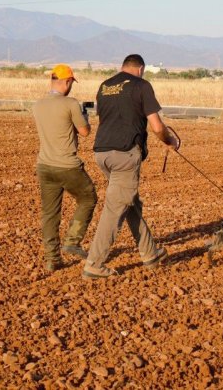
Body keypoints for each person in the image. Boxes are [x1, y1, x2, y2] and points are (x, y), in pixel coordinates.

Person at [83, 54, 179, 279]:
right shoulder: (142, 85)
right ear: (141, 69)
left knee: (129, 202)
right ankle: (94, 264)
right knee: (115, 207)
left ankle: (150, 253)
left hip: (102, 153)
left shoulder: (105, 86)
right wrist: (169, 141)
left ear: (122, 67)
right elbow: (156, 126)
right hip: (125, 154)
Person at [32, 64, 97, 271]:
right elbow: (84, 132)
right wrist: (84, 116)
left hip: (44, 165)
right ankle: (72, 241)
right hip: (67, 166)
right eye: (71, 83)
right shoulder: (71, 104)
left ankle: (53, 259)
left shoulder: (38, 105)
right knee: (88, 198)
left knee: (50, 214)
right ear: (67, 82)